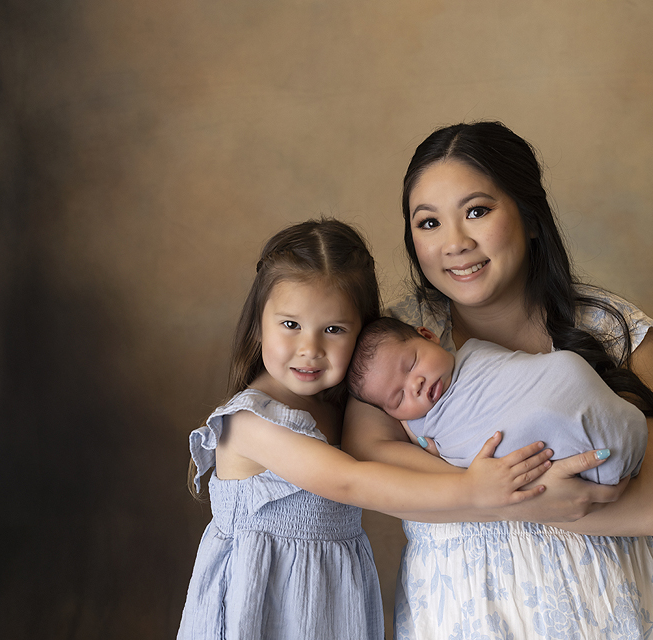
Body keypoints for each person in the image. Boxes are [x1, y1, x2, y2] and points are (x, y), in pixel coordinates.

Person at [342, 122, 653, 639]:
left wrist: (473, 492)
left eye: (477, 211)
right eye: (429, 222)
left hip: (613, 611)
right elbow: (368, 460)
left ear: (530, 218)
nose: (455, 243)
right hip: (466, 616)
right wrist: (518, 496)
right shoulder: (392, 345)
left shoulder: (617, 330)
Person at [177, 218, 559, 640]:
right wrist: (472, 489)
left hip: (332, 599)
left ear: (362, 335)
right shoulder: (249, 421)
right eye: (290, 325)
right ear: (258, 323)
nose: (310, 349)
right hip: (260, 605)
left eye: (334, 330)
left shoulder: (343, 406)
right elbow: (349, 481)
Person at [346, 316, 648, 485]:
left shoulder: (474, 352)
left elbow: (524, 374)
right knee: (532, 421)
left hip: (569, 389)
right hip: (555, 456)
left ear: (427, 336)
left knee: (565, 367)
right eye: (398, 397)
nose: (415, 385)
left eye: (412, 364)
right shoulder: (422, 427)